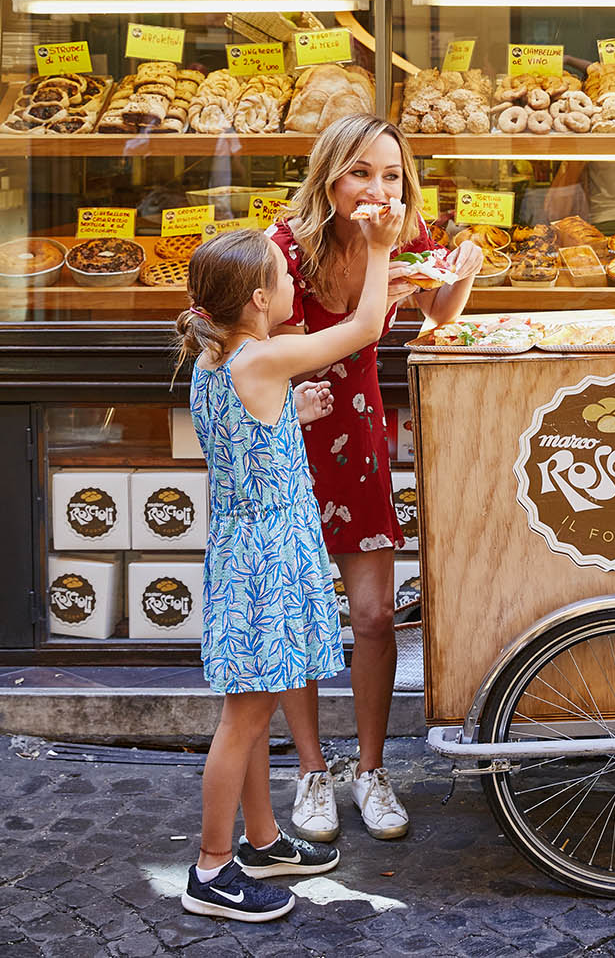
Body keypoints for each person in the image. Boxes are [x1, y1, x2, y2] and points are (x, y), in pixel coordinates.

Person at [173, 215, 403, 922]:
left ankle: (264, 840)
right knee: (243, 718)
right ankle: (212, 868)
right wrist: (382, 246)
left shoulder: (220, 361)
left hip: (247, 548)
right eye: (280, 276)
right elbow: (365, 328)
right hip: (269, 559)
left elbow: (241, 433)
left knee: (257, 702)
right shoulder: (261, 359)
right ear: (257, 301)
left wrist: (288, 415)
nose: (287, 283)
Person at [270, 116, 483, 844]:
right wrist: (377, 268)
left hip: (359, 433)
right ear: (329, 177)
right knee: (298, 616)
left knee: (375, 616)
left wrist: (462, 275)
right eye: (361, 172)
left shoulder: (402, 234)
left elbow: (435, 313)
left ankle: (370, 768)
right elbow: (285, 353)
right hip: (289, 439)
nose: (378, 188)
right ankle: (309, 770)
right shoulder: (283, 249)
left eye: (391, 174)